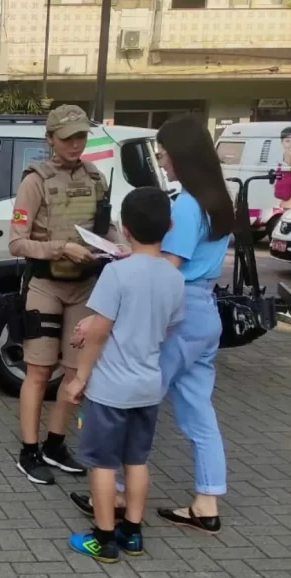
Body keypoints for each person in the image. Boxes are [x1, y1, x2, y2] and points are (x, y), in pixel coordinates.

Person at [70, 114, 235, 535]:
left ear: (181, 153)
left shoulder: (187, 203)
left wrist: (127, 258)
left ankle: (117, 494)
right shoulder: (219, 197)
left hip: (179, 312)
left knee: (133, 401)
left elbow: (171, 264)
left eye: (162, 151)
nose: (159, 158)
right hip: (205, 315)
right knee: (200, 411)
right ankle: (207, 499)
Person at [63, 187, 184, 563]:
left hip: (111, 388)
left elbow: (99, 332)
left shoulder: (116, 273)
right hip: (148, 386)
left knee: (102, 463)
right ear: (169, 226)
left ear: (124, 228)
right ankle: (132, 532)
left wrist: (79, 377)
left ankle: (103, 538)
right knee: (137, 460)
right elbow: (167, 328)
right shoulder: (174, 277)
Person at [9, 104, 126, 486]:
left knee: (76, 372)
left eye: (81, 137)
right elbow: (17, 243)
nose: (76, 144)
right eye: (67, 138)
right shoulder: (34, 181)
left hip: (86, 286)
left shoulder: (95, 178)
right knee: (40, 370)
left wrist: (121, 247)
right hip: (45, 284)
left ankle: (56, 445)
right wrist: (61, 248)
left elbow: (104, 227)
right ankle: (29, 450)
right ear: (50, 140)